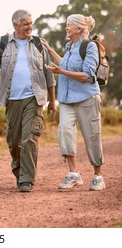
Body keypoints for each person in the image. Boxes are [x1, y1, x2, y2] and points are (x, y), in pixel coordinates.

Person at [0, 9, 57, 192]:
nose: (30, 27)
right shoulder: (2, 43)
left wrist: (52, 101)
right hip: (12, 99)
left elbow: (49, 74)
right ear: (15, 25)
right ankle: (19, 171)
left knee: (30, 138)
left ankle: (26, 179)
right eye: (25, 24)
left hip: (34, 98)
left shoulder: (39, 44)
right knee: (14, 141)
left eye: (31, 23)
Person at [41, 14, 106, 191]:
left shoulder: (90, 46)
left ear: (78, 29)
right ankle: (74, 174)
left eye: (69, 25)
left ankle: (98, 176)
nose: (66, 28)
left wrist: (60, 72)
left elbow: (87, 75)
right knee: (65, 133)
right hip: (67, 99)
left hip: (87, 97)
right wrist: (49, 50)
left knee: (92, 136)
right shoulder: (70, 45)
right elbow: (65, 65)